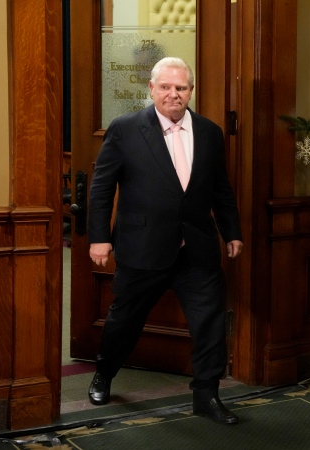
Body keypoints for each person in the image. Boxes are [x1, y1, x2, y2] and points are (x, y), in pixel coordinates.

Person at [86, 56, 243, 425]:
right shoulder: (125, 128)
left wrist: (231, 230)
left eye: (182, 87)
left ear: (191, 91)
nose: (174, 94)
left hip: (198, 248)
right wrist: (99, 239)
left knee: (209, 324)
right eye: (166, 87)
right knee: (124, 320)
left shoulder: (209, 132)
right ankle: (104, 374)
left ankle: (207, 395)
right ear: (152, 89)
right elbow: (102, 188)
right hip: (143, 246)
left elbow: (221, 188)